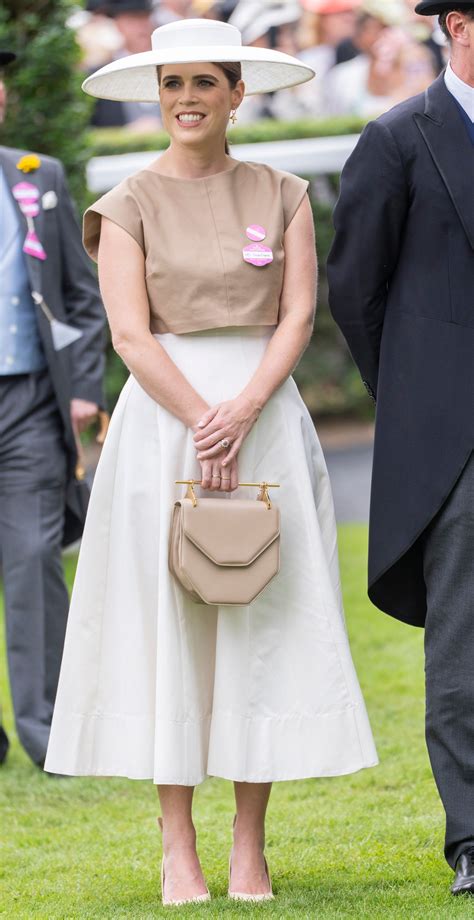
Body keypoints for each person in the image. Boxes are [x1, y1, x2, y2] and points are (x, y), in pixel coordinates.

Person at [45, 18, 377, 906]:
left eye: (205, 82)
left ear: (238, 93)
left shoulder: (285, 192)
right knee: (172, 629)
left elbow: (298, 318)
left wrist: (243, 411)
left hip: (264, 418)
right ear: (159, 98)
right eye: (172, 84)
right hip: (165, 430)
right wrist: (201, 420)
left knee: (258, 624)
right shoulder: (127, 205)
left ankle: (248, 847)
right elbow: (127, 332)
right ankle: (177, 848)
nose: (187, 99)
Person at [327, 0, 474, 897]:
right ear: (458, 24)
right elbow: (356, 290)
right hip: (457, 437)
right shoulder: (397, 139)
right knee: (465, 644)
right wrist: (419, 398)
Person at [0, 51, 106, 767]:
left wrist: (83, 390)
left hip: (31, 401)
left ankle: (48, 734)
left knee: (36, 556)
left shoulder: (40, 178)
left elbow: (80, 296)